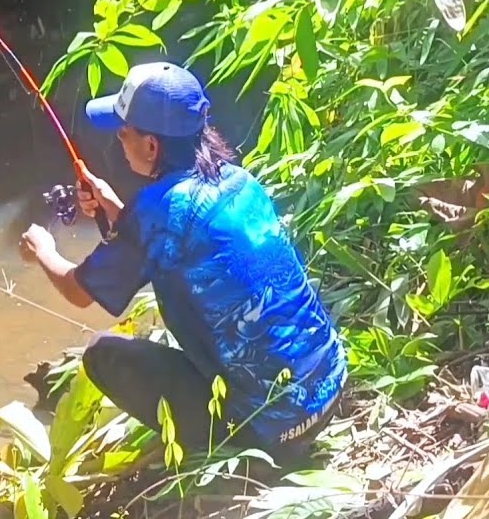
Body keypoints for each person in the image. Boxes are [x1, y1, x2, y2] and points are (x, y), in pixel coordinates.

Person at [18, 61, 347, 462]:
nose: (119, 144)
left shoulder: (157, 211)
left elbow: (77, 291)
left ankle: (227, 449)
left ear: (152, 146)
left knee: (102, 353)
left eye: (124, 134)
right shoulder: (238, 180)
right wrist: (112, 206)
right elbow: (173, 238)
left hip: (271, 429)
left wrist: (43, 249)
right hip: (329, 391)